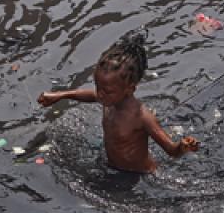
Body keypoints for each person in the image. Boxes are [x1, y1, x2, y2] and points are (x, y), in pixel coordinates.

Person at [37, 32, 198, 173]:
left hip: (139, 174)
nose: (99, 94)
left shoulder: (141, 117)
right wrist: (60, 95)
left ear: (130, 89)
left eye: (106, 91)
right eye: (97, 86)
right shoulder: (109, 100)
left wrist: (181, 147)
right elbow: (90, 95)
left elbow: (170, 150)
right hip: (113, 167)